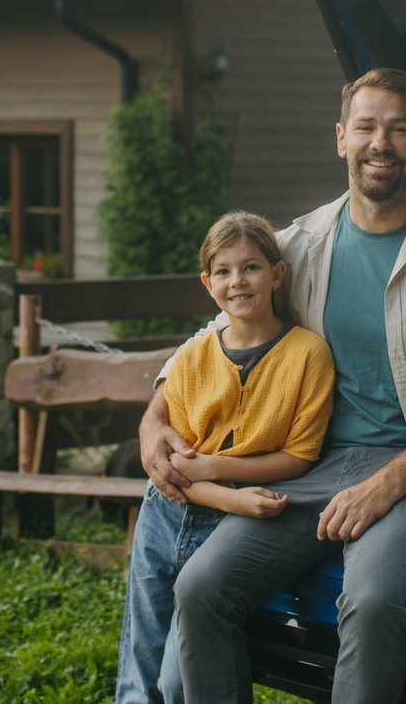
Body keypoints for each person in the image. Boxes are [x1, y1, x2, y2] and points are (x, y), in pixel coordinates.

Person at [138, 67, 406, 704]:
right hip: (306, 464)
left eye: (397, 129)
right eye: (365, 127)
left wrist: (382, 486)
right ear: (340, 137)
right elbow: (221, 329)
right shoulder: (298, 243)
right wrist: (154, 415)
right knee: (200, 588)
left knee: (373, 598)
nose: (379, 142)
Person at [115, 211, 335, 704]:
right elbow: (178, 465)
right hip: (167, 510)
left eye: (251, 267)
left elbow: (299, 456)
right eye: (224, 271)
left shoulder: (307, 355)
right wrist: (228, 497)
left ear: (277, 274)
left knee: (178, 680)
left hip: (223, 530)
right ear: (207, 283)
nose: (238, 281)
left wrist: (216, 473)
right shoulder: (192, 359)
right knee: (141, 656)